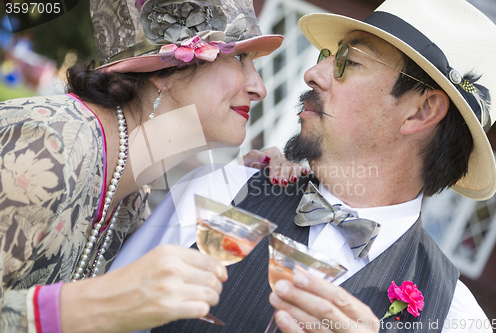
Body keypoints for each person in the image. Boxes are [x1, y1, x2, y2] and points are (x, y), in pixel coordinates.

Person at [114, 0, 496, 332]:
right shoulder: (223, 190)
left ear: (421, 111)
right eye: (325, 57)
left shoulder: (453, 317)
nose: (312, 74)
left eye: (348, 61)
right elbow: (103, 312)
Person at [0, 0, 311, 331]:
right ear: (165, 72)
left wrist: (240, 180)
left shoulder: (131, 199)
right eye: (238, 58)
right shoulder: (48, 146)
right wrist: (100, 305)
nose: (259, 88)